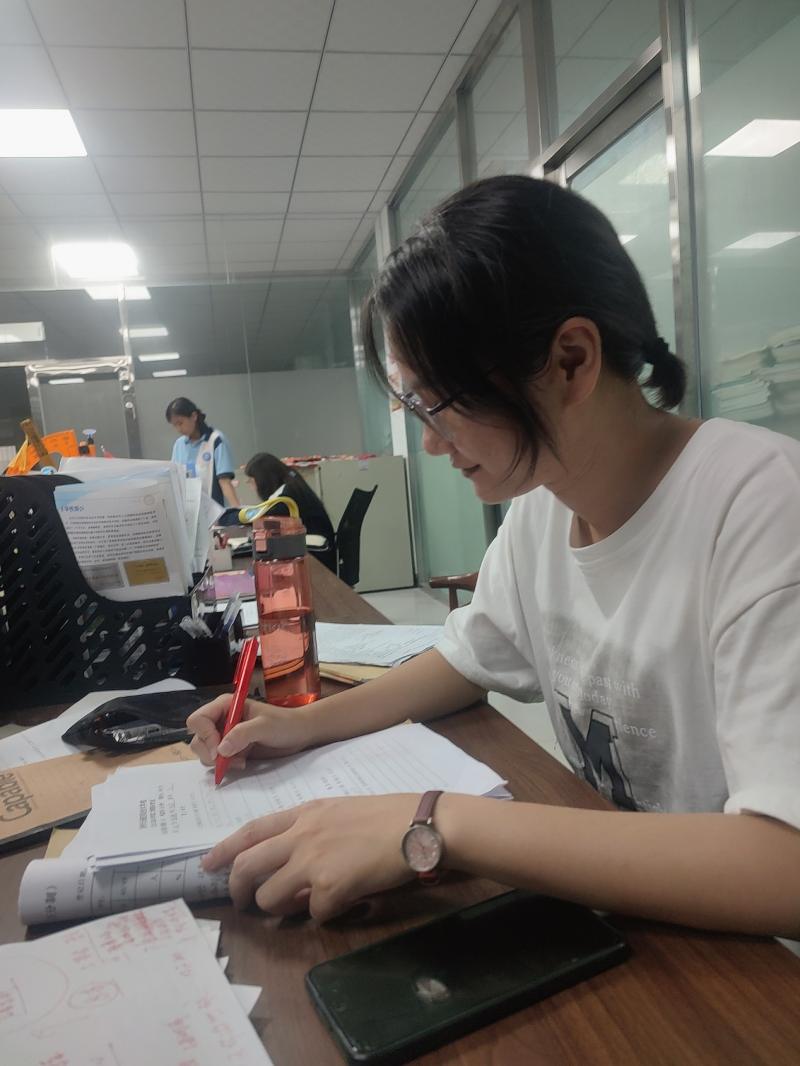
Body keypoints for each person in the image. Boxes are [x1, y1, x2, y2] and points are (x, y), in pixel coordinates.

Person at [187, 176, 800, 937]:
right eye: (416, 407)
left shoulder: (762, 507)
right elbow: (466, 661)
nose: (430, 443)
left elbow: (785, 863)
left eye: (440, 404)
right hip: (648, 923)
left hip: (758, 966)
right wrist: (299, 726)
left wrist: (435, 825)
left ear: (571, 360)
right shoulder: (544, 508)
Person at [244, 452, 336, 573]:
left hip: (317, 556)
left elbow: (264, 518)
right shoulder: (290, 484)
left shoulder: (286, 498)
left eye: (251, 481)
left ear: (263, 480)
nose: (251, 486)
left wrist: (235, 517)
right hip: (318, 549)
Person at [166, 397, 240, 508]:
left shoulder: (216, 440)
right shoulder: (179, 445)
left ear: (194, 416)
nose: (178, 429)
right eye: (174, 425)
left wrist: (238, 512)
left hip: (217, 511)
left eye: (180, 423)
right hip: (190, 511)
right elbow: (175, 481)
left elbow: (225, 481)